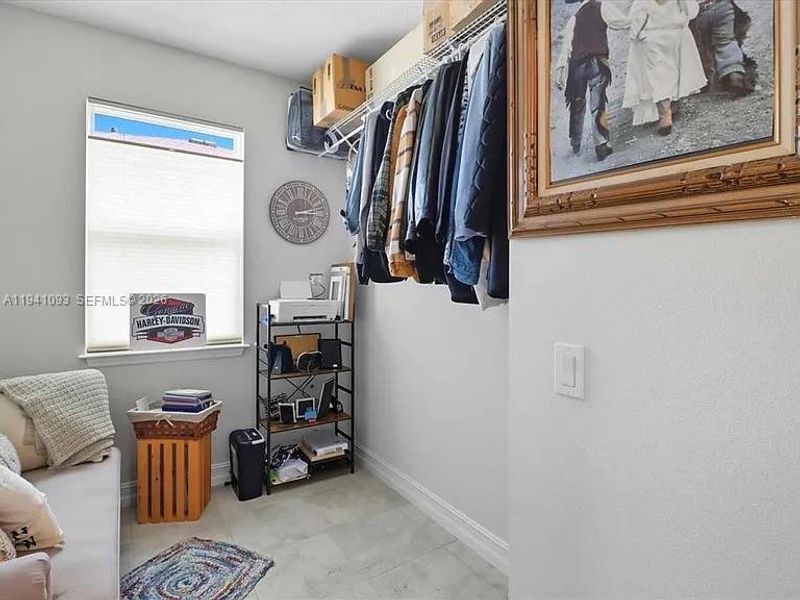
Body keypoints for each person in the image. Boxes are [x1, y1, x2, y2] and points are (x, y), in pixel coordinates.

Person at [622, 0, 707, 135]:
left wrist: (635, 36)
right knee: (673, 70)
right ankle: (672, 104)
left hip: (652, 36)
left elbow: (637, 17)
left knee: (658, 75)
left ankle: (664, 114)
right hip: (674, 32)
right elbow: (691, 11)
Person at [555, 0, 614, 161]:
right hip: (597, 62)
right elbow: (619, 21)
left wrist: (560, 71)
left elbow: (566, 47)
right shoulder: (602, 7)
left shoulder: (574, 18)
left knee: (577, 103)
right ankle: (601, 143)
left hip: (577, 66)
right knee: (598, 103)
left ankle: (576, 140)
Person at [690, 0, 754, 95]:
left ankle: (705, 80)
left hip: (696, 12)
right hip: (722, 7)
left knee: (700, 46)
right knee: (725, 41)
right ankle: (734, 73)